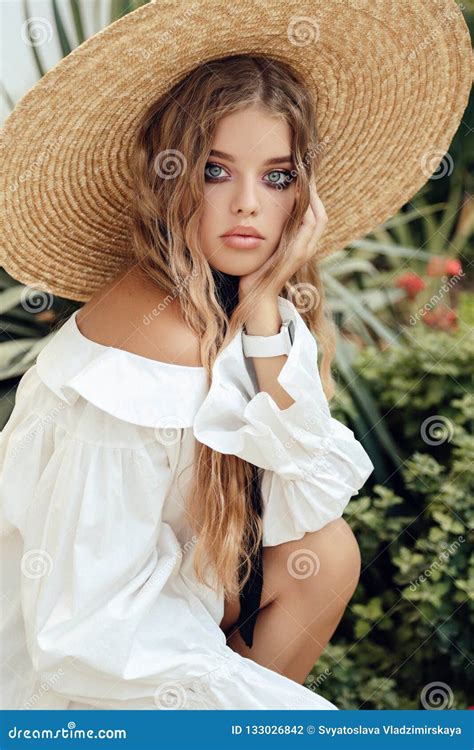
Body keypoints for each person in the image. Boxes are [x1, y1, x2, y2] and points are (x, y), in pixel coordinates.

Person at [0, 0, 470, 712]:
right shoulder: (147, 347)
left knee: (326, 553)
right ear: (169, 177)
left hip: (170, 601)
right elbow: (83, 634)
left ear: (302, 195)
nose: (248, 205)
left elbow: (292, 466)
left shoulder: (241, 302)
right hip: (80, 665)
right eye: (217, 171)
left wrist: (264, 302)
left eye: (277, 176)